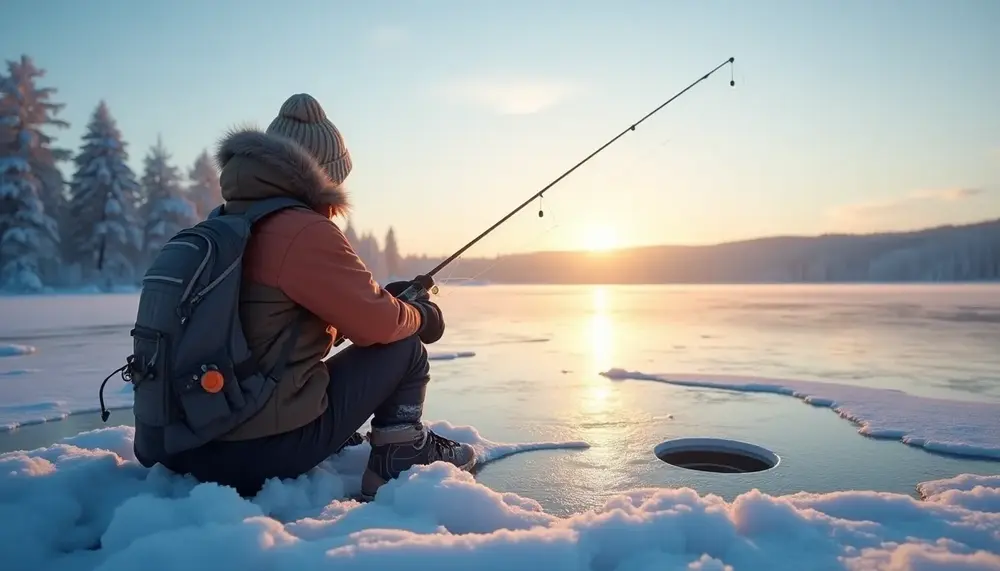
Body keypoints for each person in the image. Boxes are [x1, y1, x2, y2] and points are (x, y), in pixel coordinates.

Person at [157, 93, 475, 499]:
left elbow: (269, 333)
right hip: (250, 455)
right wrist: (418, 316)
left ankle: (326, 434)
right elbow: (380, 327)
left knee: (380, 337)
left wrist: (380, 302)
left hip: (186, 444)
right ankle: (400, 457)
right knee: (404, 348)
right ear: (321, 175)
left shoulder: (224, 226)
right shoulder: (302, 230)